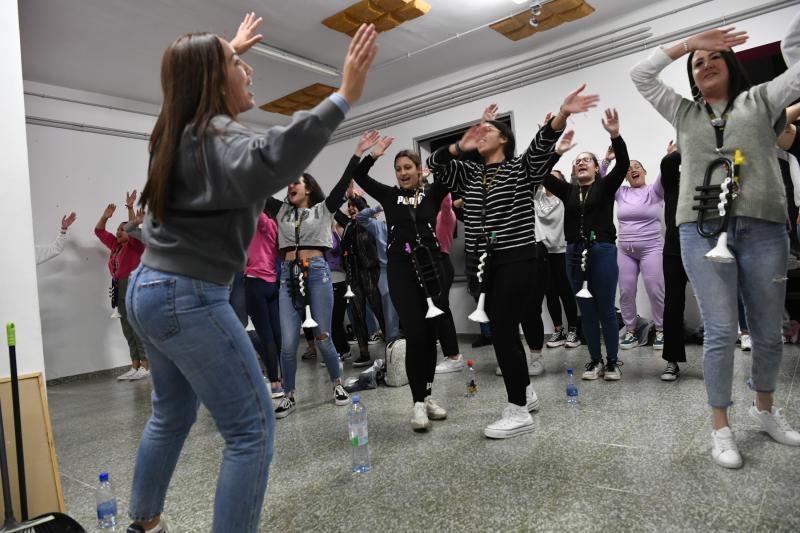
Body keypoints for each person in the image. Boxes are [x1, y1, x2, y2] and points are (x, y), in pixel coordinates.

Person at [124, 12, 378, 532]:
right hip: (187, 296)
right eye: (239, 64)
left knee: (171, 414)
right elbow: (274, 156)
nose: (250, 71)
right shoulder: (219, 139)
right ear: (214, 83)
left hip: (148, 289)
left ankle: (144, 524)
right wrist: (344, 94)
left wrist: (222, 51)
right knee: (253, 427)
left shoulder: (174, 133)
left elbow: (186, 92)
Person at [630, 18, 800, 469]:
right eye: (697, 63)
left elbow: (797, 69)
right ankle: (720, 427)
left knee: (767, 331)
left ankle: (764, 411)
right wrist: (687, 42)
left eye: (712, 58)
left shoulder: (760, 100)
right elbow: (641, 75)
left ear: (732, 64)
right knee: (722, 331)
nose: (704, 65)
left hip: (764, 227)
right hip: (701, 231)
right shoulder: (684, 112)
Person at [428, 86, 598, 438]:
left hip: (517, 259)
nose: (481, 135)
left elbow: (541, 143)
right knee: (504, 331)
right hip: (481, 262)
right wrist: (460, 145)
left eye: (487, 131)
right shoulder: (469, 174)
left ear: (504, 140)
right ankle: (527, 393)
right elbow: (435, 164)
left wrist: (561, 114)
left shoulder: (521, 169)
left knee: (504, 330)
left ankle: (518, 410)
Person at [348, 132, 450, 430]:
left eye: (408, 167)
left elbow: (455, 169)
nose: (403, 172)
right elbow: (358, 175)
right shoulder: (391, 196)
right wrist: (374, 153)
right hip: (402, 270)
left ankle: (428, 395)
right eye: (399, 168)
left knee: (431, 337)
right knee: (416, 334)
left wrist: (459, 148)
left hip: (433, 269)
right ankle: (417, 403)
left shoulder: (431, 194)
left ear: (419, 170)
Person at [542, 109, 630, 381]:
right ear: (573, 169)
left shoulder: (604, 187)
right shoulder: (567, 190)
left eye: (586, 161)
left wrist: (615, 135)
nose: (581, 163)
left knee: (604, 307)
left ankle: (612, 362)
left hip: (602, 251)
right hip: (573, 253)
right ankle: (594, 361)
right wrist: (553, 147)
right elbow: (541, 172)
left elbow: (624, 164)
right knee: (587, 311)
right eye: (577, 161)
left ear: (595, 167)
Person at [603, 149, 666, 350]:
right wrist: (606, 161)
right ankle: (630, 330)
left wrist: (668, 156)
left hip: (651, 248)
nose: (633, 170)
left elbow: (664, 175)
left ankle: (661, 330)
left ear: (645, 171)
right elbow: (602, 180)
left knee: (655, 290)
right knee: (626, 290)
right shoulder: (621, 192)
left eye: (637, 167)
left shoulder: (654, 191)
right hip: (625, 250)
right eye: (628, 169)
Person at [95, 198, 148, 381]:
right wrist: (105, 217)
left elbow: (133, 230)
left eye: (122, 229)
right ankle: (135, 365)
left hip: (133, 285)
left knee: (136, 327)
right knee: (127, 328)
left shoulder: (136, 245)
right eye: (117, 229)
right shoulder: (115, 245)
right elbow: (99, 231)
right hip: (118, 286)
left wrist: (131, 210)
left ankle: (146, 365)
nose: (118, 232)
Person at [334, 195, 385, 366]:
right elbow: (334, 210)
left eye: (354, 205)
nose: (351, 208)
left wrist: (357, 200)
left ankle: (392, 348)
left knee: (380, 311)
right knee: (357, 315)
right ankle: (364, 352)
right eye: (349, 206)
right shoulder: (348, 225)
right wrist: (345, 196)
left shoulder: (369, 223)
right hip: (352, 276)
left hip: (370, 273)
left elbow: (363, 211)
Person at [535, 171, 580, 349]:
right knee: (550, 292)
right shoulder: (537, 196)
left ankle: (573, 330)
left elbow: (575, 182)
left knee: (566, 291)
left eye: (555, 178)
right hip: (544, 251)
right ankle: (558, 330)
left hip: (562, 249)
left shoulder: (565, 196)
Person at [245, 206, 283, 398]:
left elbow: (255, 212)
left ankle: (275, 383)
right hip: (271, 285)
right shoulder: (275, 230)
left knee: (266, 335)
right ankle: (284, 379)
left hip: (255, 284)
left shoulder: (262, 226)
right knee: (277, 333)